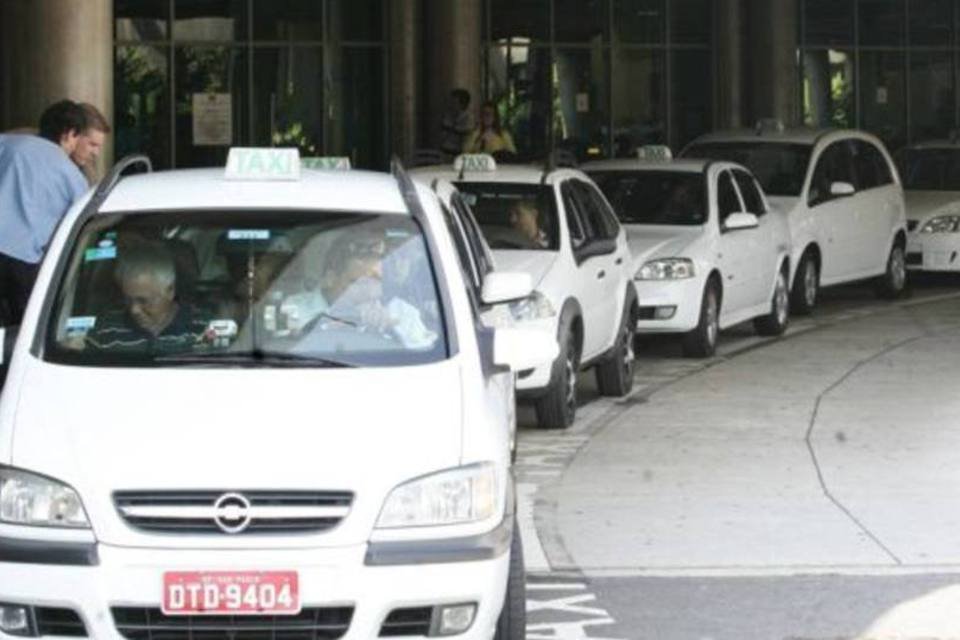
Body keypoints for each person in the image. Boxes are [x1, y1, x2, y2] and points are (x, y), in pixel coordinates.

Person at [0, 100, 89, 325]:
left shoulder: (9, 144)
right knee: (24, 325)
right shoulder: (73, 176)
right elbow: (81, 223)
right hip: (24, 261)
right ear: (70, 133)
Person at [80, 242, 208, 352]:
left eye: (143, 301)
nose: (134, 310)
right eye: (127, 299)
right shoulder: (106, 330)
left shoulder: (203, 328)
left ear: (170, 291)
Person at [73, 103, 111, 184]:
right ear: (73, 135)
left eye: (99, 147)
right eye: (92, 144)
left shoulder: (88, 172)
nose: (96, 153)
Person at [440, 88, 474, 158]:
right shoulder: (448, 115)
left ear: (462, 104)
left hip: (459, 154)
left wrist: (452, 128)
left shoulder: (468, 118)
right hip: (445, 152)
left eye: (454, 102)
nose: (451, 104)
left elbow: (464, 131)